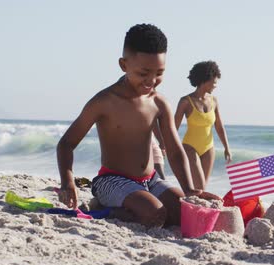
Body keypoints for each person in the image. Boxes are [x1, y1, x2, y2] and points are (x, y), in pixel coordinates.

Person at [57, 24, 219, 228]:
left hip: (150, 180)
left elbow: (175, 150)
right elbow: (66, 144)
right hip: (111, 181)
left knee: (183, 213)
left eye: (159, 73)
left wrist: (189, 189)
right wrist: (67, 181)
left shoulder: (159, 102)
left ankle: (139, 204)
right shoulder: (105, 101)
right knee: (155, 215)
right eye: (144, 73)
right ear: (124, 65)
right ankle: (103, 209)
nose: (151, 80)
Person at [174, 61, 231, 190]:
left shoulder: (214, 100)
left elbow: (219, 127)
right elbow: (173, 127)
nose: (216, 85)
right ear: (205, 80)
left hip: (208, 148)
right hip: (190, 147)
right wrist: (167, 147)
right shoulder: (185, 102)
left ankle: (195, 208)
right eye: (214, 82)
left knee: (202, 188)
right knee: (199, 186)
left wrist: (226, 147)